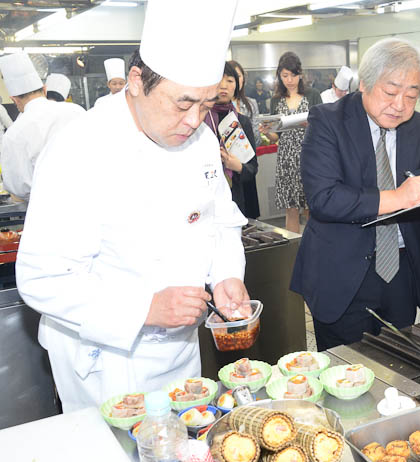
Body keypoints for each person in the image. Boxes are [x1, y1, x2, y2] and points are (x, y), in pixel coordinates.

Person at [15, 0, 250, 412]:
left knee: (184, 459)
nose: (196, 120)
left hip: (180, 355)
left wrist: (227, 274)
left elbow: (222, 222)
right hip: (108, 365)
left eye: (207, 105)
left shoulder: (201, 143)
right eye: (183, 103)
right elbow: (41, 277)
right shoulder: (80, 148)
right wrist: (146, 308)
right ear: (137, 81)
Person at [291, 38, 420, 351]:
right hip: (342, 272)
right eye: (390, 92)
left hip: (400, 271)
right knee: (347, 370)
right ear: (365, 83)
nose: (400, 105)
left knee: (401, 366)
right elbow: (324, 198)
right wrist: (397, 197)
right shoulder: (328, 121)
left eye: (411, 95)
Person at [0, 53, 85, 201]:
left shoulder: (15, 133)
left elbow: (18, 187)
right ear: (44, 90)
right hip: (89, 201)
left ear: (14, 100)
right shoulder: (77, 111)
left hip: (46, 208)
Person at [265, 52, 322, 234]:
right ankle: (294, 251)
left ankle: (314, 247)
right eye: (285, 76)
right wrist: (268, 132)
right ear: (279, 76)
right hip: (285, 160)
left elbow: (322, 127)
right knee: (290, 209)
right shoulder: (275, 100)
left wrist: (310, 125)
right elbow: (276, 137)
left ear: (300, 74)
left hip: (308, 157)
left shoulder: (312, 95)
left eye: (293, 75)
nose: (289, 80)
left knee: (310, 207)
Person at [204, 61, 260, 219]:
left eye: (230, 81)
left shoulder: (242, 122)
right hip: (204, 199)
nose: (224, 86)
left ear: (237, 86)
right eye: (220, 80)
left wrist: (238, 167)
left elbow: (252, 168)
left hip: (234, 198)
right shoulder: (198, 119)